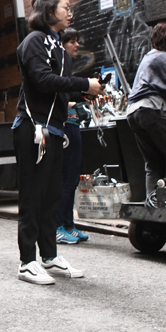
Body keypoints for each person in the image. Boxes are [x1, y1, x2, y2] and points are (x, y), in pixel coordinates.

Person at [12, 0, 103, 285]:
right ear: (50, 12)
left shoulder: (57, 46)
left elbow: (59, 88)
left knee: (51, 196)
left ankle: (49, 256)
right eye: (65, 6)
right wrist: (82, 83)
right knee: (32, 196)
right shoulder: (34, 42)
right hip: (33, 129)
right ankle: (27, 262)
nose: (70, 11)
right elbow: (42, 80)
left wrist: (85, 92)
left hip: (53, 129)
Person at [126, 22, 166, 198]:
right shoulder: (165, 57)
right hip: (152, 110)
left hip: (134, 112)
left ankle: (154, 209)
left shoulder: (149, 56)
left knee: (153, 164)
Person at [56, 28, 89, 244]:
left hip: (73, 123)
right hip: (65, 125)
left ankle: (69, 224)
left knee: (73, 178)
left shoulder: (67, 69)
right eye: (72, 42)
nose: (76, 45)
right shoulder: (58, 68)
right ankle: (58, 226)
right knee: (66, 178)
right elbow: (57, 96)